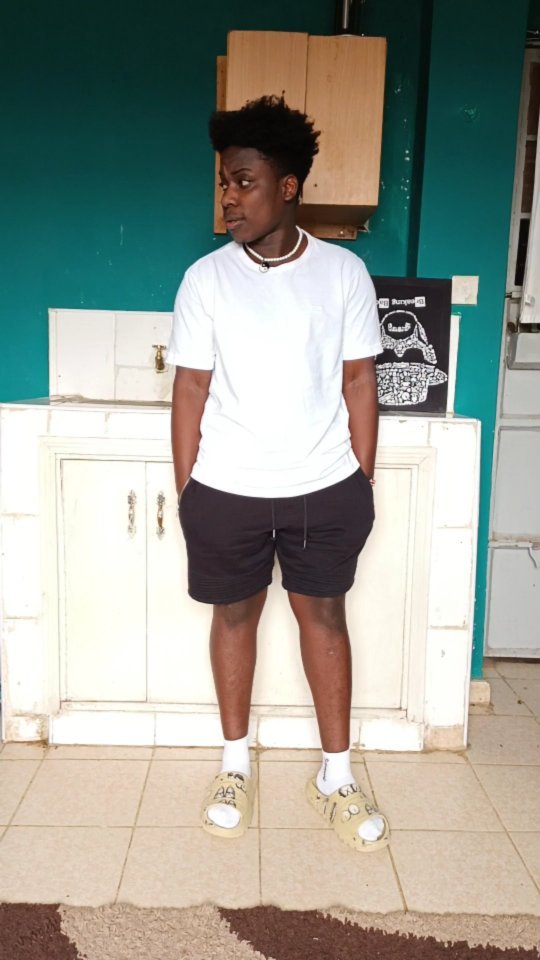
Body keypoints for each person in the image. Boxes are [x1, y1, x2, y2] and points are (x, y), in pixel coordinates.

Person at [167, 95, 390, 852]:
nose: (229, 198)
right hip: (227, 488)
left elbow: (359, 378)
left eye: (244, 182)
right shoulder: (206, 279)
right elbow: (190, 388)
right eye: (224, 183)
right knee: (234, 619)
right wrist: (189, 491)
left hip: (324, 486)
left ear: (287, 186)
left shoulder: (344, 273)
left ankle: (335, 774)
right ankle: (235, 765)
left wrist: (361, 479)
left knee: (324, 619)